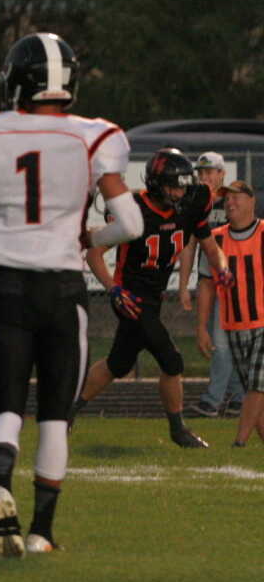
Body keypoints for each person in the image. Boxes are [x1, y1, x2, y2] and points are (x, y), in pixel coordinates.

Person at [0, 32, 137, 558]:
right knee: (56, 417)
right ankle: (41, 533)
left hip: (11, 286)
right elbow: (131, 223)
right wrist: (90, 238)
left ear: (17, 80)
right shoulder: (96, 136)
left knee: (8, 409)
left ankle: (0, 489)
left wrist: (4, 213)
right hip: (63, 291)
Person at [76, 148, 221, 448]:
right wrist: (113, 289)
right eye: (174, 186)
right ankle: (178, 430)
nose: (180, 192)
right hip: (130, 298)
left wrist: (223, 268)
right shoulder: (135, 211)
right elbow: (94, 253)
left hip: (153, 298)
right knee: (172, 361)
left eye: (183, 186)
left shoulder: (192, 202)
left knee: (118, 364)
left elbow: (207, 235)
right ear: (156, 184)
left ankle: (64, 413)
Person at [196, 179, 264, 449]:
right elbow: (206, 284)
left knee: (257, 386)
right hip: (233, 323)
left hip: (262, 322)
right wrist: (201, 327)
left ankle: (239, 443)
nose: (230, 203)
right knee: (253, 392)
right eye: (227, 199)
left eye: (236, 197)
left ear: (252, 201)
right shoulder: (215, 239)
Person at [180, 151, 245, 417]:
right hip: (208, 281)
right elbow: (189, 245)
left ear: (222, 174)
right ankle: (240, 398)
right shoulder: (196, 203)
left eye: (210, 172)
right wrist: (184, 285)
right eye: (201, 172)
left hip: (232, 281)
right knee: (221, 340)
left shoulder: (232, 201)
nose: (205, 177)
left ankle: (212, 401)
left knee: (220, 341)